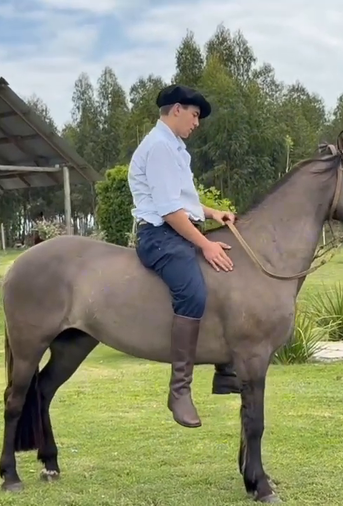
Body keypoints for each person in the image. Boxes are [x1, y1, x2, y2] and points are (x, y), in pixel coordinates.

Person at [128, 84, 238, 428]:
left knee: (226, 277)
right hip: (160, 236)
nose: (197, 123)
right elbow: (170, 210)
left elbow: (184, 202)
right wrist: (205, 244)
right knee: (192, 292)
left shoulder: (174, 147)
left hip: (177, 230)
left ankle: (227, 368)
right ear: (176, 109)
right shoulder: (159, 147)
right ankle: (179, 391)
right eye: (194, 115)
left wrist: (213, 212)